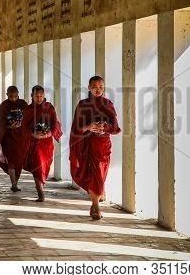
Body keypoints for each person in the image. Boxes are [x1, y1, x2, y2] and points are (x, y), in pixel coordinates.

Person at [69, 76, 121, 220]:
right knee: (93, 174)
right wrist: (89, 127)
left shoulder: (108, 104)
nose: (97, 89)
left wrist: (104, 127)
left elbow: (116, 128)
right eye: (94, 86)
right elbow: (75, 128)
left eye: (100, 87)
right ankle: (96, 207)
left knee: (99, 175)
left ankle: (94, 204)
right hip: (86, 145)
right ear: (89, 87)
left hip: (103, 146)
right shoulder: (82, 104)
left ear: (103, 88)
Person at [0, 86, 29, 192]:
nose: (13, 99)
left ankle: (16, 182)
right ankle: (13, 184)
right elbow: (1, 122)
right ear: (7, 95)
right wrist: (10, 127)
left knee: (19, 161)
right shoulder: (4, 105)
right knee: (11, 161)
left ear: (18, 94)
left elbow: (28, 119)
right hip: (9, 137)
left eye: (15, 96)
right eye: (11, 96)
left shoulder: (23, 104)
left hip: (21, 137)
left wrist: (20, 125)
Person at [23, 85, 62, 202]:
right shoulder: (28, 110)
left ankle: (40, 185)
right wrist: (32, 134)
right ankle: (40, 192)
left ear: (44, 95)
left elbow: (55, 123)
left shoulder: (49, 107)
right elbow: (24, 127)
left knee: (44, 165)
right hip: (33, 141)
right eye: (36, 96)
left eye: (41, 96)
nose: (39, 99)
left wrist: (48, 134)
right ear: (32, 96)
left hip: (46, 142)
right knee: (37, 164)